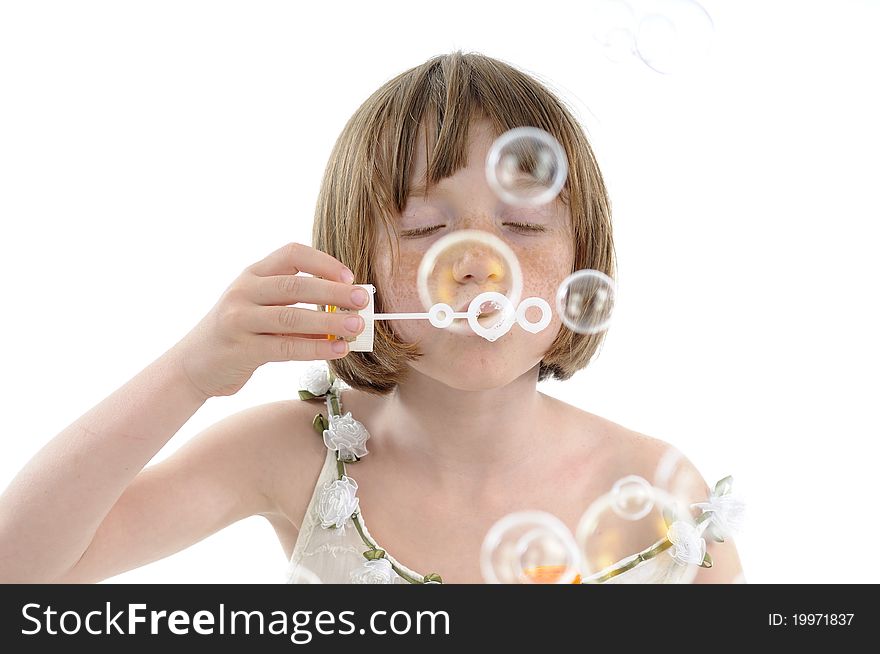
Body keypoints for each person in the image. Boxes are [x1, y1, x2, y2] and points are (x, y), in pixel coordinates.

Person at [0, 51, 743, 584]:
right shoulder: (299, 453)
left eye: (521, 226)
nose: (478, 263)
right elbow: (21, 572)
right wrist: (189, 374)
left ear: (585, 258)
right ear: (357, 266)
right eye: (423, 229)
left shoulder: (662, 496)